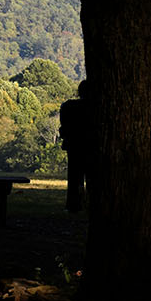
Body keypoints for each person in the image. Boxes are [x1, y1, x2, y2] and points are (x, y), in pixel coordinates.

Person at [58, 79, 93, 213]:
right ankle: (90, 205)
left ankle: (74, 205)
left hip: (74, 146)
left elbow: (64, 126)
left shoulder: (68, 106)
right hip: (91, 146)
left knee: (74, 177)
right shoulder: (96, 107)